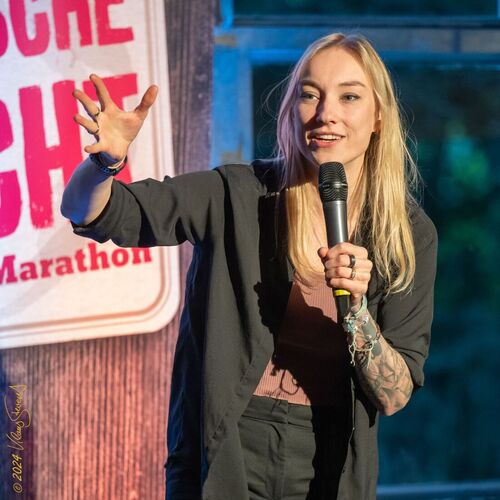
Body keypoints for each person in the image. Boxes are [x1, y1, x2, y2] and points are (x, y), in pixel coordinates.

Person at [61, 32, 437, 500]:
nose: (326, 114)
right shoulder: (238, 193)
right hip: (229, 445)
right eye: (310, 94)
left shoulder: (408, 233)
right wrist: (103, 161)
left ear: (378, 115)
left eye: (350, 96)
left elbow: (395, 394)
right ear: (291, 108)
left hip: (329, 456)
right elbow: (94, 213)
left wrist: (356, 311)